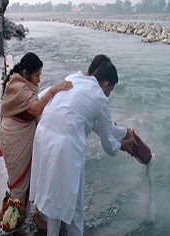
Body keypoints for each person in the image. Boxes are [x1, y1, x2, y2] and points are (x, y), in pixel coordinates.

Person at [29, 55, 137, 236]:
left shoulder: (73, 78)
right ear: (105, 84)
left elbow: (95, 123)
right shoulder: (101, 99)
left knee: (54, 195)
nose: (109, 94)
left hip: (44, 138)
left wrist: (124, 132)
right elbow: (108, 145)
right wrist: (122, 146)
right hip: (65, 148)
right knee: (75, 207)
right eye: (110, 90)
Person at [0, 52, 73, 219]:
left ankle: (18, 217)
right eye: (37, 76)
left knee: (26, 181)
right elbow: (35, 109)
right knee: (19, 184)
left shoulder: (20, 82)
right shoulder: (19, 86)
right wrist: (54, 89)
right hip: (14, 138)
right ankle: (13, 221)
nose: (39, 80)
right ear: (26, 73)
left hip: (18, 134)